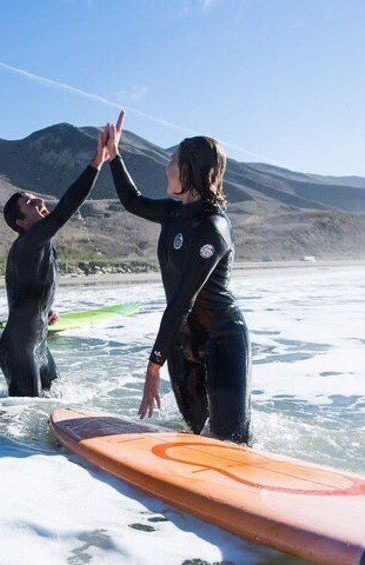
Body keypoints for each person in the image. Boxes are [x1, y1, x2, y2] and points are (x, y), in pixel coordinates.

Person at [105, 112, 251, 444]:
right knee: (198, 433)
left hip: (222, 340)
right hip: (184, 340)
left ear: (192, 169)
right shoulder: (173, 213)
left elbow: (182, 300)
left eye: (173, 159)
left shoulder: (213, 227)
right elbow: (132, 201)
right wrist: (114, 155)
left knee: (232, 441)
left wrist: (153, 365)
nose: (166, 165)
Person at [0, 129, 108, 396]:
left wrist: (44, 313)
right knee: (25, 421)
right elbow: (66, 208)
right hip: (19, 349)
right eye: (29, 203)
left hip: (39, 345)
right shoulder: (28, 243)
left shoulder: (39, 244)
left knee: (54, 402)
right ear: (21, 223)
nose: (39, 201)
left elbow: (24, 290)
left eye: (33, 198)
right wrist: (95, 165)